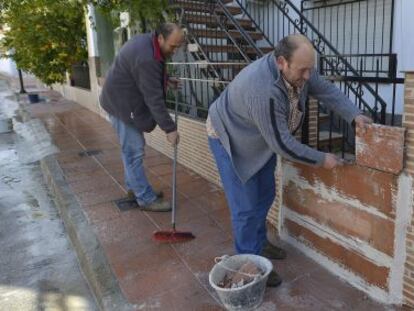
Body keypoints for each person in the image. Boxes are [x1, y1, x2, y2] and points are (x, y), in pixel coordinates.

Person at [206, 34, 372, 287]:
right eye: (303, 70)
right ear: (281, 62)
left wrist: (354, 114)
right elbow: (282, 145)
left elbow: (325, 89)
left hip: (258, 135)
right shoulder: (262, 90)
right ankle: (251, 265)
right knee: (246, 206)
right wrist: (320, 159)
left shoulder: (299, 67)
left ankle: (259, 243)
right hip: (228, 135)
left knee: (265, 194)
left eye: (310, 69)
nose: (308, 77)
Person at [100, 23, 184, 212]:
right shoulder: (146, 57)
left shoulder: (149, 43)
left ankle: (134, 188)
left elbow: (146, 75)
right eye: (173, 46)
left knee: (130, 151)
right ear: (161, 38)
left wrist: (166, 80)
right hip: (121, 104)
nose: (176, 51)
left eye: (179, 46)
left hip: (123, 99)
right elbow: (153, 98)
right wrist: (169, 129)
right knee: (134, 151)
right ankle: (145, 198)